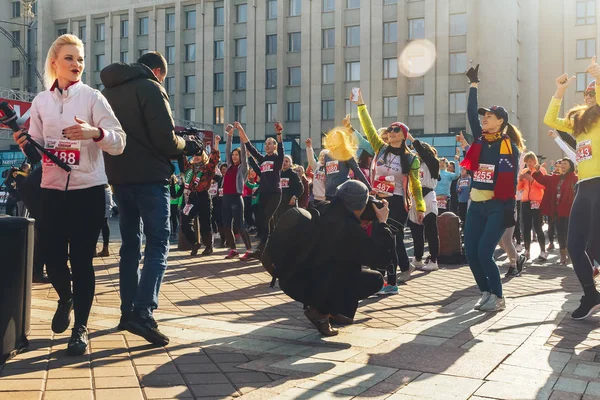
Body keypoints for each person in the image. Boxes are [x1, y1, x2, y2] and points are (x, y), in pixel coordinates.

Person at [13, 34, 126, 355]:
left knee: (82, 261)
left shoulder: (93, 98)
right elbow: (37, 152)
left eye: (80, 59)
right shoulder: (41, 102)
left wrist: (95, 132)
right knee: (52, 259)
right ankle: (66, 297)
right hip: (51, 191)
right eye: (69, 58)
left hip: (88, 191)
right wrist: (25, 141)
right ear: (54, 62)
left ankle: (81, 328)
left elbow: (119, 141)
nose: (76, 64)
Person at [100, 51, 198, 345]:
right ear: (157, 71)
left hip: (119, 178)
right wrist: (189, 145)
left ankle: (127, 311)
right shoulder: (151, 87)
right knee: (157, 243)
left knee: (130, 245)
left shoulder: (108, 90)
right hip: (151, 179)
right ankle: (143, 313)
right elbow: (165, 140)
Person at [276, 180, 392, 336]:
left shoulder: (321, 208)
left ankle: (328, 310)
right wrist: (383, 223)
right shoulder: (349, 229)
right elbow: (382, 259)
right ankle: (321, 311)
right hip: (312, 286)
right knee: (373, 279)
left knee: (337, 266)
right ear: (360, 205)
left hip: (291, 278)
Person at [462, 64, 524, 312]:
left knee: (484, 251)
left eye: (489, 116)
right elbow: (469, 113)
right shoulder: (479, 139)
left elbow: (510, 182)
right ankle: (485, 292)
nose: (483, 119)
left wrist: (508, 211)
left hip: (498, 207)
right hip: (476, 204)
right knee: (470, 252)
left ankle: (498, 296)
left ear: (501, 122)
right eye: (483, 116)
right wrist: (473, 85)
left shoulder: (509, 147)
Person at [352, 88, 425, 292]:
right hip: (377, 200)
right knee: (376, 240)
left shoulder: (411, 159)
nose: (390, 133)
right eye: (390, 130)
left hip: (397, 203)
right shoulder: (380, 149)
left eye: (395, 130)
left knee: (388, 239)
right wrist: (361, 105)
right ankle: (378, 279)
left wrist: (420, 207)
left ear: (404, 135)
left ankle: (391, 282)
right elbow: (368, 128)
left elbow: (417, 187)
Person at [543, 59, 600, 320]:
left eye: (594, 92)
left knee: (597, 246)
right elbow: (550, 119)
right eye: (587, 93)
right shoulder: (579, 123)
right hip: (584, 187)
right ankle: (591, 295)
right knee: (576, 246)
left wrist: (598, 77)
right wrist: (560, 91)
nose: (589, 96)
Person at [240, 122, 285, 259]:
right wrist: (241, 131)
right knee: (261, 219)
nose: (267, 146)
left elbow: (282, 149)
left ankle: (263, 248)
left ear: (275, 146)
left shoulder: (277, 159)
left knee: (265, 218)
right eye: (266, 144)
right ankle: (269, 247)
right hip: (263, 193)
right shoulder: (263, 159)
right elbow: (251, 148)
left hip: (274, 194)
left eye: (270, 144)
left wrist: (278, 134)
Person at [405, 132, 441, 271]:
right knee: (416, 230)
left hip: (428, 196)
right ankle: (418, 258)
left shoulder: (433, 163)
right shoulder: (414, 164)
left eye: (419, 151)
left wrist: (413, 140)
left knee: (431, 230)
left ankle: (433, 260)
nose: (417, 154)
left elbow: (425, 154)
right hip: (414, 197)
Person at [532, 158, 578, 265]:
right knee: (560, 233)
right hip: (558, 210)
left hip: (569, 210)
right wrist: (538, 171)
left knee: (569, 233)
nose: (562, 165)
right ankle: (563, 255)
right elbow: (543, 180)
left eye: (565, 164)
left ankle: (571, 255)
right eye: (561, 164)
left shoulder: (574, 178)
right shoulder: (555, 177)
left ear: (570, 166)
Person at [181, 137, 222, 256]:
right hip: (193, 197)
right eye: (194, 154)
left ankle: (209, 246)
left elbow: (214, 159)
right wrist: (185, 144)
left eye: (199, 154)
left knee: (205, 223)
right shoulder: (190, 168)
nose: (196, 156)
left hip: (204, 196)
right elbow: (182, 158)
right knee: (184, 218)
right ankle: (194, 243)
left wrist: (217, 143)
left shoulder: (207, 167)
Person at [221, 122, 253, 261]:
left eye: (236, 155)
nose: (233, 157)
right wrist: (229, 135)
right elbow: (227, 150)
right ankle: (233, 249)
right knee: (226, 225)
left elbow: (244, 152)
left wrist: (240, 134)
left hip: (236, 198)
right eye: (233, 155)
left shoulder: (243, 168)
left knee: (239, 225)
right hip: (226, 198)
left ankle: (249, 250)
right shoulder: (228, 166)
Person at [323, 124, 371, 200]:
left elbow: (357, 171)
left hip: (343, 192)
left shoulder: (346, 154)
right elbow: (327, 175)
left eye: (335, 137)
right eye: (331, 137)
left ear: (341, 140)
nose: (332, 139)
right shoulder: (327, 155)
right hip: (329, 193)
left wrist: (369, 188)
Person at [517, 152, 547, 261]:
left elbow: (543, 186)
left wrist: (532, 180)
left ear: (535, 160)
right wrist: (521, 179)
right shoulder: (524, 171)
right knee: (526, 227)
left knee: (538, 226)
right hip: (525, 201)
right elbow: (520, 188)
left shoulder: (541, 171)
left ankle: (543, 251)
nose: (529, 164)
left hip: (537, 201)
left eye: (530, 161)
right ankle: (527, 250)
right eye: (527, 162)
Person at [275, 155, 304, 223]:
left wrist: (294, 197)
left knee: (291, 222)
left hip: (290, 204)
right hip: (279, 204)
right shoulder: (278, 174)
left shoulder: (293, 174)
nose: (284, 163)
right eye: (283, 161)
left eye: (286, 161)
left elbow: (300, 188)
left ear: (290, 163)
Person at [305, 138, 327, 206]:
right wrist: (309, 147)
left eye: (325, 156)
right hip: (316, 198)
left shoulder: (330, 166)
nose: (323, 157)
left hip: (327, 197)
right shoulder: (317, 165)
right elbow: (311, 160)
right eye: (321, 156)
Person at [95, 184, 113, 257]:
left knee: (94, 222)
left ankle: (93, 249)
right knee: (104, 221)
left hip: (96, 189)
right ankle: (105, 248)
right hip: (107, 189)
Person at [169, 175, 184, 240]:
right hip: (169, 204)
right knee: (169, 219)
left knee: (174, 218)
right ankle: (170, 232)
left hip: (175, 205)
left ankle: (174, 232)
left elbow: (180, 196)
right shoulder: (168, 187)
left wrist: (179, 204)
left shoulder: (177, 187)